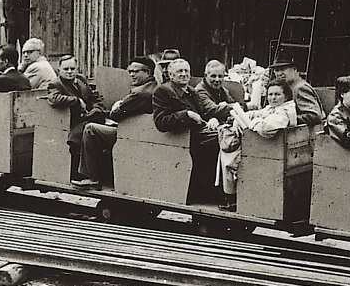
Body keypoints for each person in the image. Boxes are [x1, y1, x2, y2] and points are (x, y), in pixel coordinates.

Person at [153, 58, 235, 205]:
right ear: (171, 75)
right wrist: (186, 115)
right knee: (223, 140)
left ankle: (223, 191)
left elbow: (204, 115)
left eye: (186, 71)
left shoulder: (192, 91)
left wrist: (212, 120)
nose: (183, 74)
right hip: (183, 137)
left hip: (199, 133)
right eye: (179, 71)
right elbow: (161, 122)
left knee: (228, 137)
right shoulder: (163, 91)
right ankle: (220, 193)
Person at [76, 57, 157, 188]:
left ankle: (91, 177)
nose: (131, 75)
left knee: (90, 129)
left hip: (132, 135)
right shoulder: (153, 87)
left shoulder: (140, 92)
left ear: (148, 72)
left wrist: (113, 108)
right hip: (141, 132)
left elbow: (115, 115)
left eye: (135, 72)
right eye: (130, 71)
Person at [217, 81, 297, 211]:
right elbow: (258, 114)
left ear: (286, 96)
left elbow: (266, 128)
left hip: (269, 151)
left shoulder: (284, 112)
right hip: (266, 149)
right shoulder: (273, 108)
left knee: (230, 156)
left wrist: (250, 122)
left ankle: (231, 197)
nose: (273, 98)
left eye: (277, 94)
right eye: (270, 94)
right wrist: (241, 118)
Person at [47, 55, 105, 182]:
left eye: (72, 69)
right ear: (59, 70)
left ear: (77, 69)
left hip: (88, 117)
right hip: (71, 122)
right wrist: (76, 100)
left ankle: (96, 172)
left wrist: (96, 108)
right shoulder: (55, 84)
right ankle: (78, 174)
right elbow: (54, 99)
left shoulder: (81, 80)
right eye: (66, 69)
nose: (69, 72)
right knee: (77, 137)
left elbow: (93, 96)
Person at [270, 56, 324, 127]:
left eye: (283, 69)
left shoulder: (300, 88)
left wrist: (287, 120)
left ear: (294, 70)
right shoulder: (288, 87)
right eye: (276, 70)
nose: (279, 73)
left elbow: (314, 116)